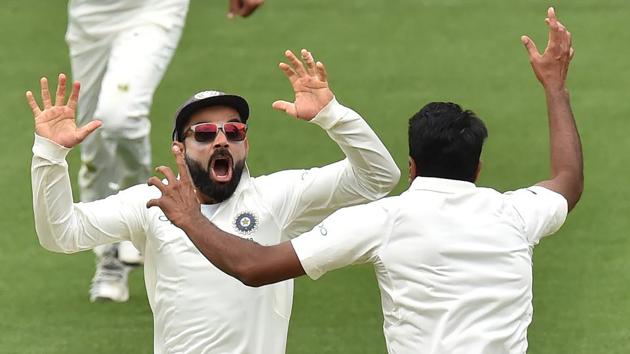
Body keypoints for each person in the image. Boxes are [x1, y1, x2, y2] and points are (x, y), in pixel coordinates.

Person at [149, 8, 583, 353]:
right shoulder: (515, 213)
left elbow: (253, 267)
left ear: (411, 166)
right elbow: (568, 179)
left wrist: (192, 219)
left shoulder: (382, 220)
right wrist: (554, 86)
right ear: (478, 168)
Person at [28, 49, 400, 353]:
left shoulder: (278, 197)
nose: (221, 141)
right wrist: (50, 155)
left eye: (234, 131)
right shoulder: (153, 203)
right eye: (204, 133)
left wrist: (332, 116)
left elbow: (379, 177)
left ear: (246, 143)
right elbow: (61, 234)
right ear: (180, 148)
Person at [66, 0, 265, 302]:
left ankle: (135, 214)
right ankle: (109, 253)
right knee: (92, 138)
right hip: (89, 14)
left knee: (119, 118)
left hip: (153, 7)